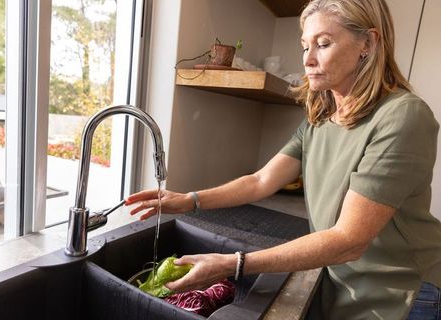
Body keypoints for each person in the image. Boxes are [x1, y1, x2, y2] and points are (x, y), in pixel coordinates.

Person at [125, 0, 441, 318]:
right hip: (345, 283)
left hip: (405, 293)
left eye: (323, 44)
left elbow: (349, 240)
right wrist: (188, 199)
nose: (308, 59)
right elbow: (261, 180)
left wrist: (234, 264)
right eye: (305, 46)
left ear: (367, 44)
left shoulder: (403, 117)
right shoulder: (321, 118)